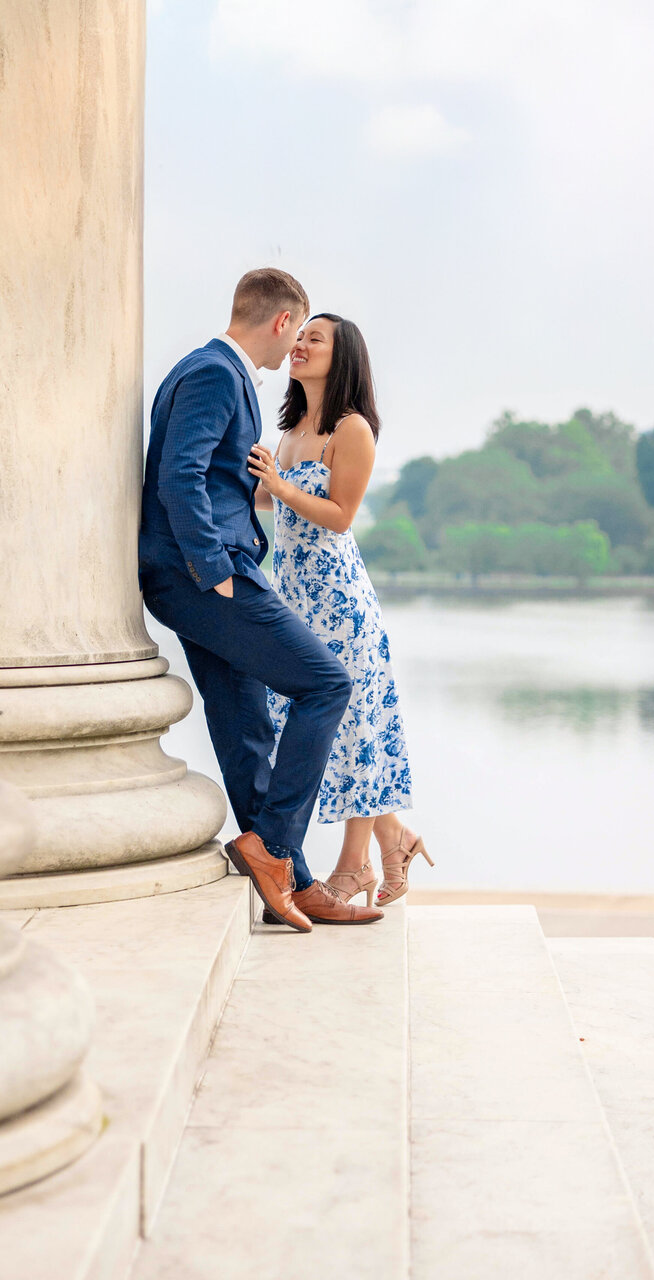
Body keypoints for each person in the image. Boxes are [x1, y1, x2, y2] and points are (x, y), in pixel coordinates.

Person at [139, 268, 383, 932]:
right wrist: (216, 568)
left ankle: (295, 885)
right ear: (281, 323)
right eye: (296, 332)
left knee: (247, 727)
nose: (293, 349)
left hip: (196, 577)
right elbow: (179, 474)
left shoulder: (210, 370)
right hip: (208, 578)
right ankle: (274, 849)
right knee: (326, 685)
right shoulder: (219, 372)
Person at [248, 313, 432, 910]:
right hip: (296, 598)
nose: (298, 345)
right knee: (336, 727)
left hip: (342, 602)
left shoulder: (350, 429)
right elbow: (267, 495)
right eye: (298, 336)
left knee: (351, 728)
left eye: (313, 339)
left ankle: (355, 867)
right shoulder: (290, 429)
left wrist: (279, 488)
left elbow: (340, 515)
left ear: (342, 355)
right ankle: (393, 836)